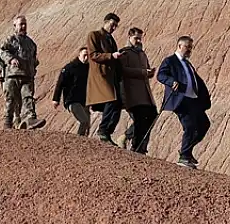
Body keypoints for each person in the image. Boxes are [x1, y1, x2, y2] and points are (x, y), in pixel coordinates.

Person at [157, 35, 211, 169]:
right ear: (180, 46)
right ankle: (184, 157)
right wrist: (171, 82)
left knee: (204, 124)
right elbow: (161, 75)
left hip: (193, 100)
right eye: (187, 47)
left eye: (191, 48)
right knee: (190, 126)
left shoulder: (187, 64)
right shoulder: (170, 61)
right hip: (181, 100)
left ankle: (186, 151)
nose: (189, 50)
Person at [0, 14, 46, 130]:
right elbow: (3, 51)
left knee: (28, 97)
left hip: (27, 76)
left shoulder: (31, 43)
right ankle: (8, 123)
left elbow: (34, 58)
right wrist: (11, 59)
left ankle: (30, 119)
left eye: (25, 24)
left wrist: (33, 67)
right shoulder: (11, 40)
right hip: (12, 75)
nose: (23, 26)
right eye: (21, 24)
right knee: (11, 99)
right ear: (15, 26)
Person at [118, 27, 158, 153]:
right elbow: (122, 70)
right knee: (140, 119)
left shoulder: (142, 54)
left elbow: (145, 69)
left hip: (145, 93)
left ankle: (128, 138)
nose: (139, 41)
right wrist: (142, 72)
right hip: (132, 93)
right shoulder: (124, 53)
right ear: (129, 37)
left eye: (140, 38)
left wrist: (150, 73)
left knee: (152, 116)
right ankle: (138, 147)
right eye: (136, 38)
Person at [85, 13, 123, 143]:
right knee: (111, 100)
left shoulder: (111, 39)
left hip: (111, 77)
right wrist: (111, 56)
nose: (114, 28)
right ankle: (102, 130)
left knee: (118, 103)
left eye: (116, 26)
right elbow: (93, 55)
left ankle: (107, 132)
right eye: (112, 25)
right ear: (105, 22)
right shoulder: (94, 35)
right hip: (100, 76)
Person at [51, 47, 91, 136]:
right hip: (72, 100)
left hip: (85, 101)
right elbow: (60, 83)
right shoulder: (70, 67)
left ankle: (84, 145)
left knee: (87, 126)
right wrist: (55, 99)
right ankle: (79, 141)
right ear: (79, 55)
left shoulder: (89, 68)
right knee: (84, 121)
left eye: (88, 56)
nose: (86, 58)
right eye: (84, 55)